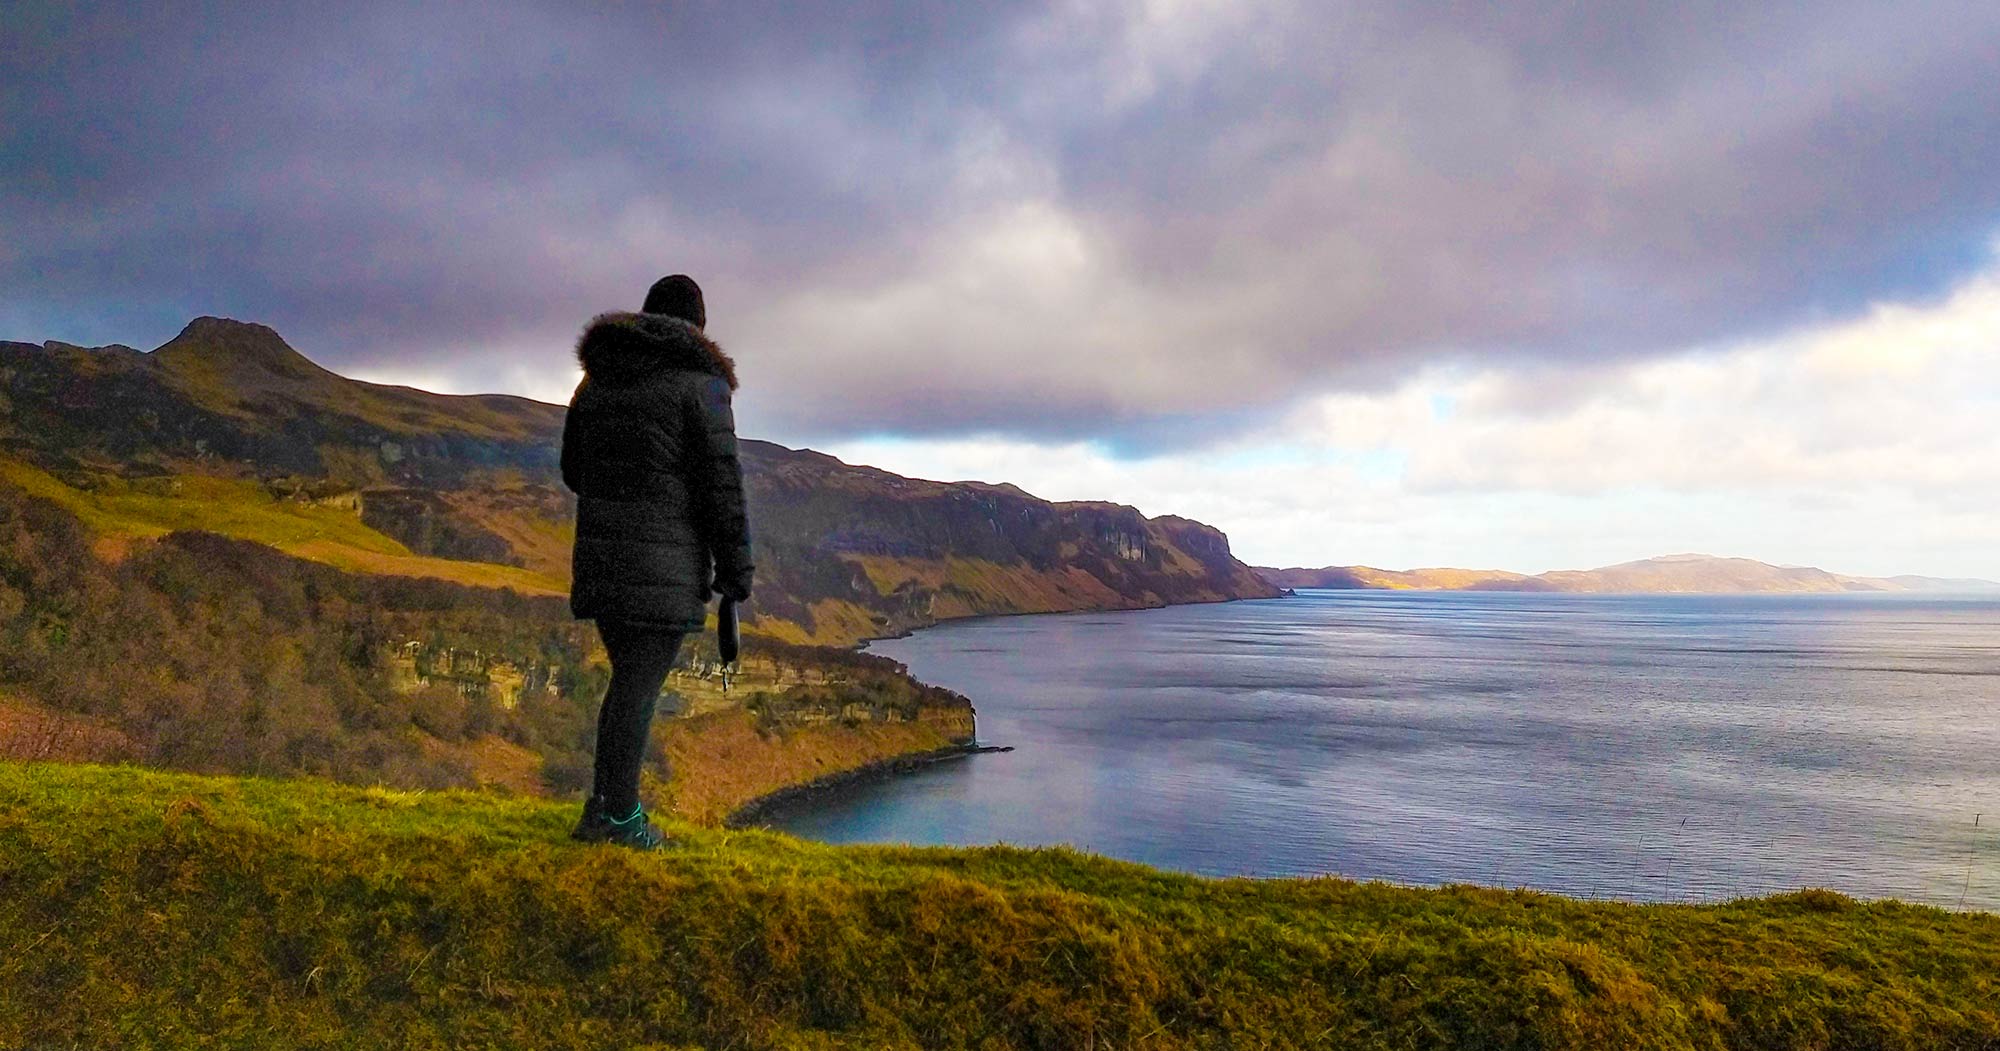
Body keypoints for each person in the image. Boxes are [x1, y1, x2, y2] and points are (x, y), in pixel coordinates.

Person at [560, 274, 753, 849]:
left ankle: (606, 808)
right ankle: (616, 818)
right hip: (663, 566)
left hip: (603, 558)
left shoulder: (596, 383)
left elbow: (574, 471)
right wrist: (736, 572)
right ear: (697, 326)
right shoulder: (701, 386)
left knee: (628, 682)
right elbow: (722, 486)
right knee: (639, 687)